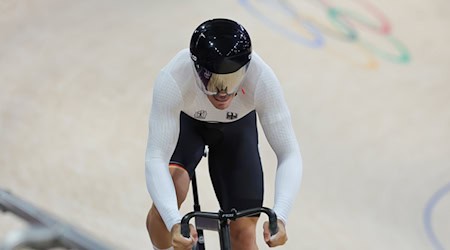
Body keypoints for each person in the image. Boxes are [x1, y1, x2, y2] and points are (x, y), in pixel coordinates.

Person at [145, 18, 303, 250]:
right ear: (197, 69)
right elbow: (155, 158)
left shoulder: (262, 78)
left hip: (236, 129)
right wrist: (172, 220)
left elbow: (289, 153)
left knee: (243, 236)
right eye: (213, 80)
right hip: (189, 124)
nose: (222, 92)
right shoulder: (173, 77)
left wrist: (280, 216)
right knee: (172, 194)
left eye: (232, 80)